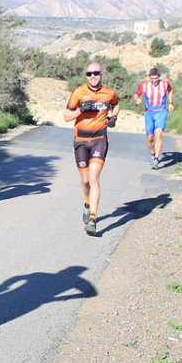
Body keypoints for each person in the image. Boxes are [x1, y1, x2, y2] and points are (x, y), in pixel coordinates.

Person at [63, 61, 120, 236]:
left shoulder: (109, 93)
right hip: (80, 140)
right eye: (89, 74)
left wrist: (113, 117)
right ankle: (87, 203)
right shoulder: (78, 92)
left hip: (99, 140)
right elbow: (66, 116)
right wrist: (80, 110)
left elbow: (116, 105)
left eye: (96, 73)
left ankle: (93, 219)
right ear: (85, 76)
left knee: (94, 178)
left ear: (101, 74)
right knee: (85, 180)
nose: (93, 76)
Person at [134, 67, 174, 169]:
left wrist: (170, 103)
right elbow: (136, 94)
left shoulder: (165, 84)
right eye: (152, 78)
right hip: (149, 113)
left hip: (161, 112)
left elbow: (170, 91)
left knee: (159, 134)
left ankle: (156, 159)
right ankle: (152, 153)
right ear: (149, 77)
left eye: (156, 78)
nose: (154, 81)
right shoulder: (144, 85)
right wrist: (137, 99)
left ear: (159, 77)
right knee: (149, 138)